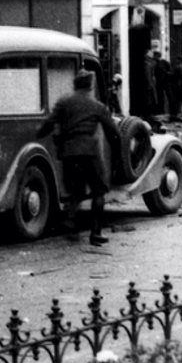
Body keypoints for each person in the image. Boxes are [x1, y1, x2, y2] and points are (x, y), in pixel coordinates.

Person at [36, 70, 120, 246]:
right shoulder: (97, 106)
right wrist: (117, 153)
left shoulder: (63, 102)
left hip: (68, 152)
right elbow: (113, 133)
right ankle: (95, 233)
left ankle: (71, 224)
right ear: (90, 86)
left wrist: (37, 135)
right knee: (99, 190)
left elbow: (48, 124)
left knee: (77, 190)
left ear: (75, 85)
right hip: (89, 153)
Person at [153, 50, 172, 116]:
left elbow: (169, 71)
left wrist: (166, 76)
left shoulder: (164, 62)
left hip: (165, 81)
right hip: (159, 81)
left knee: (168, 95)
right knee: (160, 96)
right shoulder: (156, 63)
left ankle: (171, 111)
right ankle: (161, 111)